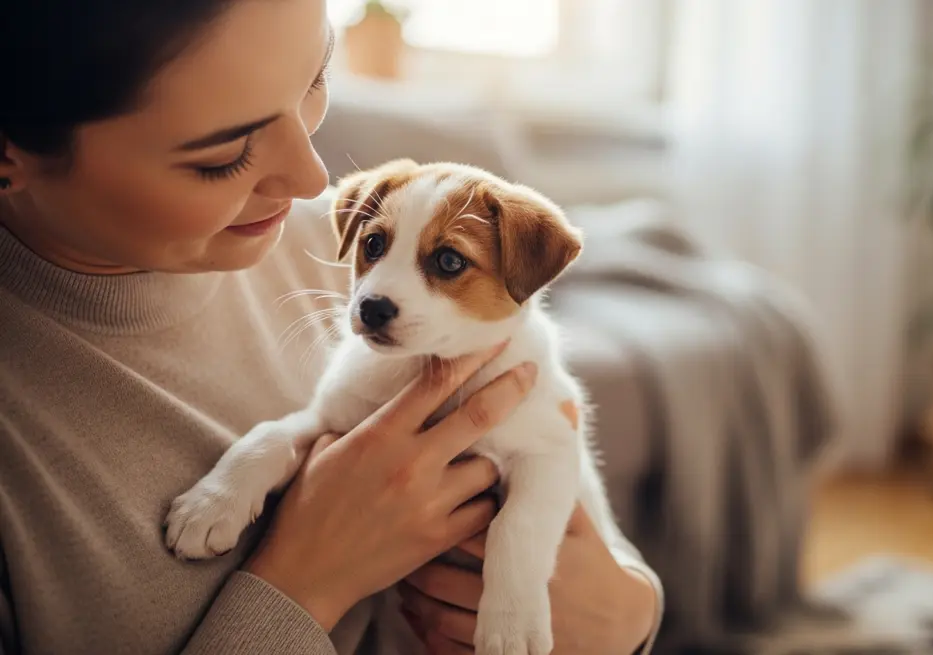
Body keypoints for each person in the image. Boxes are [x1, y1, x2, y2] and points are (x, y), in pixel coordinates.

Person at [0, 0, 663, 653]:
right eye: (224, 154)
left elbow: (572, 499)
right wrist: (305, 581)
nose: (313, 176)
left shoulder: (311, 229)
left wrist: (631, 613)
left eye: (315, 80)